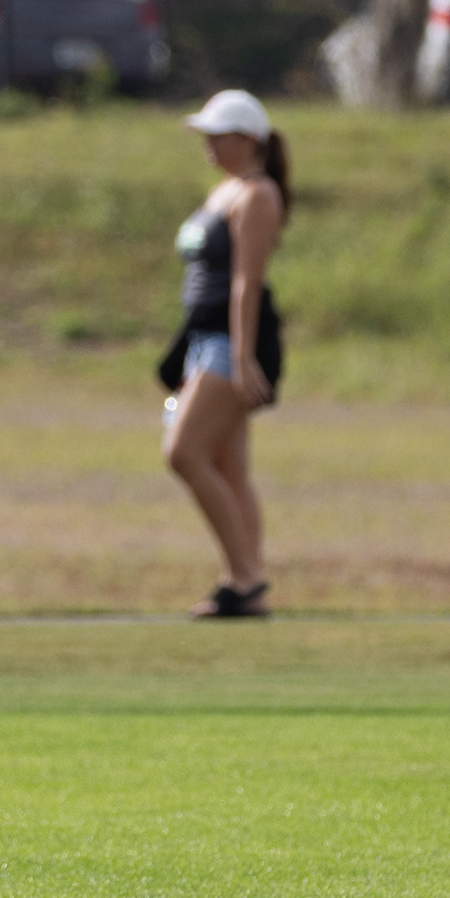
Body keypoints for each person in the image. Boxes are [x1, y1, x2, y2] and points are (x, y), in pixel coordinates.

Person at [160, 87, 289, 619]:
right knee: (228, 467)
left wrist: (242, 358)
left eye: (219, 137)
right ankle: (245, 581)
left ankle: (246, 579)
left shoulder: (258, 195)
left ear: (249, 139)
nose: (209, 146)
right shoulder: (224, 191)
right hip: (203, 339)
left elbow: (246, 283)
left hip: (231, 342)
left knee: (183, 452)